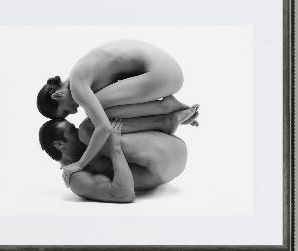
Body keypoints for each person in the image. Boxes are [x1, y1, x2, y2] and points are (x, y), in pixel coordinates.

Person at [35, 39, 186, 173]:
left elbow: (104, 128)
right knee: (98, 110)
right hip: (168, 72)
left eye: (66, 111)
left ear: (57, 95)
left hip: (162, 74)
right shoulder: (80, 71)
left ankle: (164, 109)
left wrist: (80, 164)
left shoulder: (77, 84)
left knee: (96, 111)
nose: (74, 111)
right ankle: (164, 114)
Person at [38, 116, 187, 204]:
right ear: (59, 144)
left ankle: (167, 117)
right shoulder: (76, 178)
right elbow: (124, 194)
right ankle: (167, 117)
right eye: (72, 130)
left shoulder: (89, 148)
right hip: (163, 166)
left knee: (94, 126)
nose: (76, 131)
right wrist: (115, 147)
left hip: (172, 146)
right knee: (89, 129)